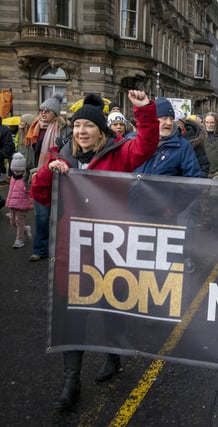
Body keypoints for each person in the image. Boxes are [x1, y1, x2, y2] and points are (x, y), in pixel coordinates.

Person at [29, 90, 159, 411]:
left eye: (88, 126)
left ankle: (113, 355)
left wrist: (144, 110)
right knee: (72, 314)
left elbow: (147, 144)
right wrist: (50, 168)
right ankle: (71, 381)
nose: (81, 132)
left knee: (108, 306)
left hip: (111, 249)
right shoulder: (62, 157)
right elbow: (40, 194)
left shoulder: (119, 153)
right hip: (73, 251)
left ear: (101, 131)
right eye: (76, 126)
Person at [24, 94, 72, 262]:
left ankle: (60, 250)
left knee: (61, 217)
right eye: (41, 110)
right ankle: (40, 249)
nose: (43, 113)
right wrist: (25, 177)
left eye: (47, 111)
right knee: (41, 217)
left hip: (60, 178)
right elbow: (29, 154)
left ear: (56, 113)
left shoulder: (66, 129)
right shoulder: (34, 128)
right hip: (39, 176)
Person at [134, 97, 201, 178]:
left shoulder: (183, 147)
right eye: (164, 118)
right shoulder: (134, 142)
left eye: (171, 119)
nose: (169, 123)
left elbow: (193, 179)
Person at [5, 153, 33, 248]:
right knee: (12, 222)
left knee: (18, 221)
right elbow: (10, 191)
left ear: (23, 170)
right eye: (15, 171)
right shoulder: (13, 177)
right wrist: (8, 202)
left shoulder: (26, 179)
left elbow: (30, 191)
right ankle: (25, 229)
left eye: (19, 171)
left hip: (22, 204)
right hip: (13, 204)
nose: (16, 173)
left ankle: (19, 240)